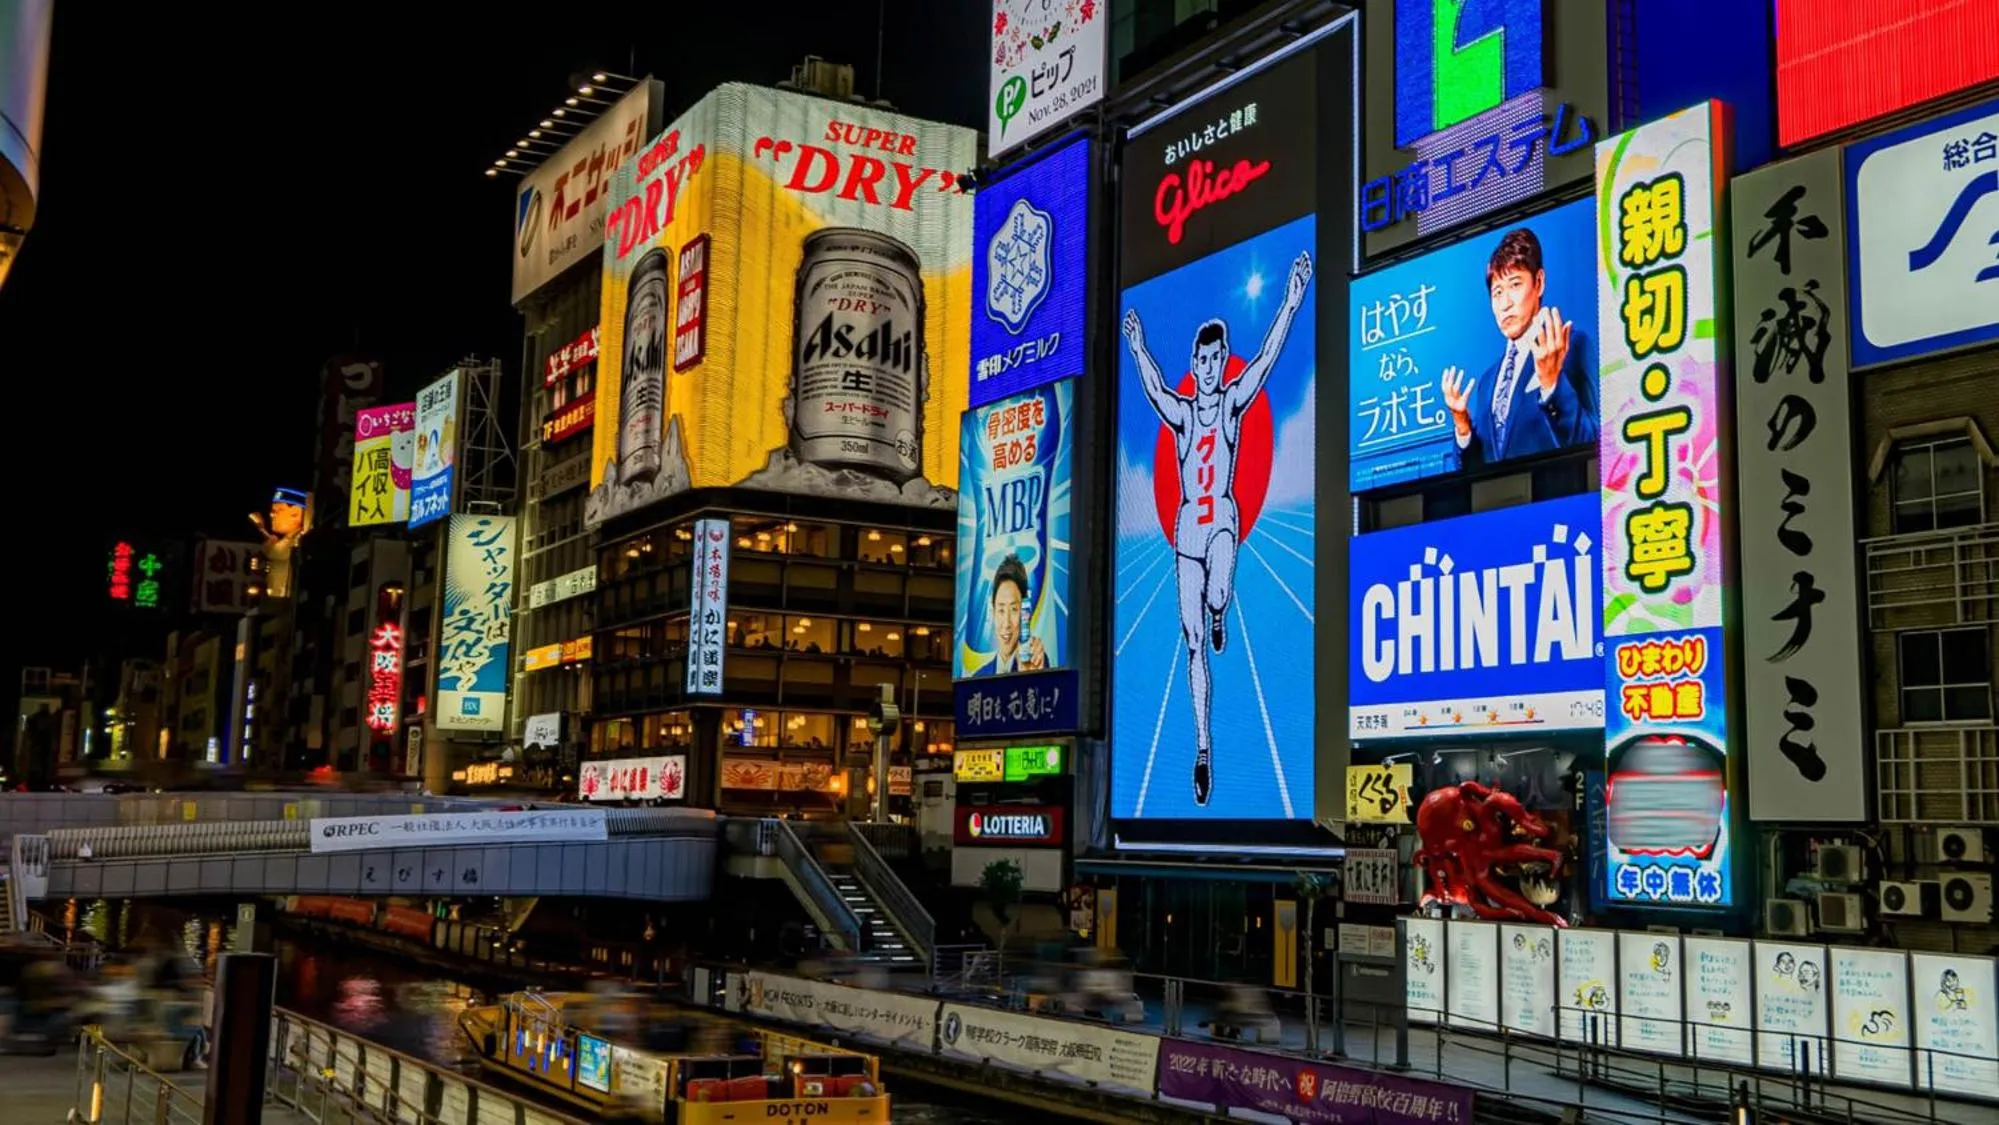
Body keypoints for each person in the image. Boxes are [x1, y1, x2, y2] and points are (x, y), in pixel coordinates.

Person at [1121, 250, 1313, 806]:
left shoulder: (1231, 405)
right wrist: (1137, 348)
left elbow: (1270, 358)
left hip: (1222, 519)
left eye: (1216, 358)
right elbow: (1156, 391)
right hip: (1187, 531)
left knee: (1219, 591)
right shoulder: (1183, 414)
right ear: (1195, 361)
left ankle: (1222, 606)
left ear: (1223, 359)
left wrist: (1292, 298)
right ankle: (1204, 747)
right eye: (1201, 360)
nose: (1208, 367)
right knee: (1192, 641)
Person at [1439, 227, 1596, 467]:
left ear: (1539, 282)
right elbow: (1474, 474)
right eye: (1497, 292)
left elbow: (1596, 444)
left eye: (1514, 285)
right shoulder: (1487, 383)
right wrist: (1462, 427)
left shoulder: (1571, 345)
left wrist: (1552, 386)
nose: (1505, 303)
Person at [978, 553, 1046, 676]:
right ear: (993, 612)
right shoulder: (978, 677)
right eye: (1001, 610)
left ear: (1025, 612)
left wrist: (1029, 676)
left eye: (1014, 609)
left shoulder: (1038, 663)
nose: (1006, 623)